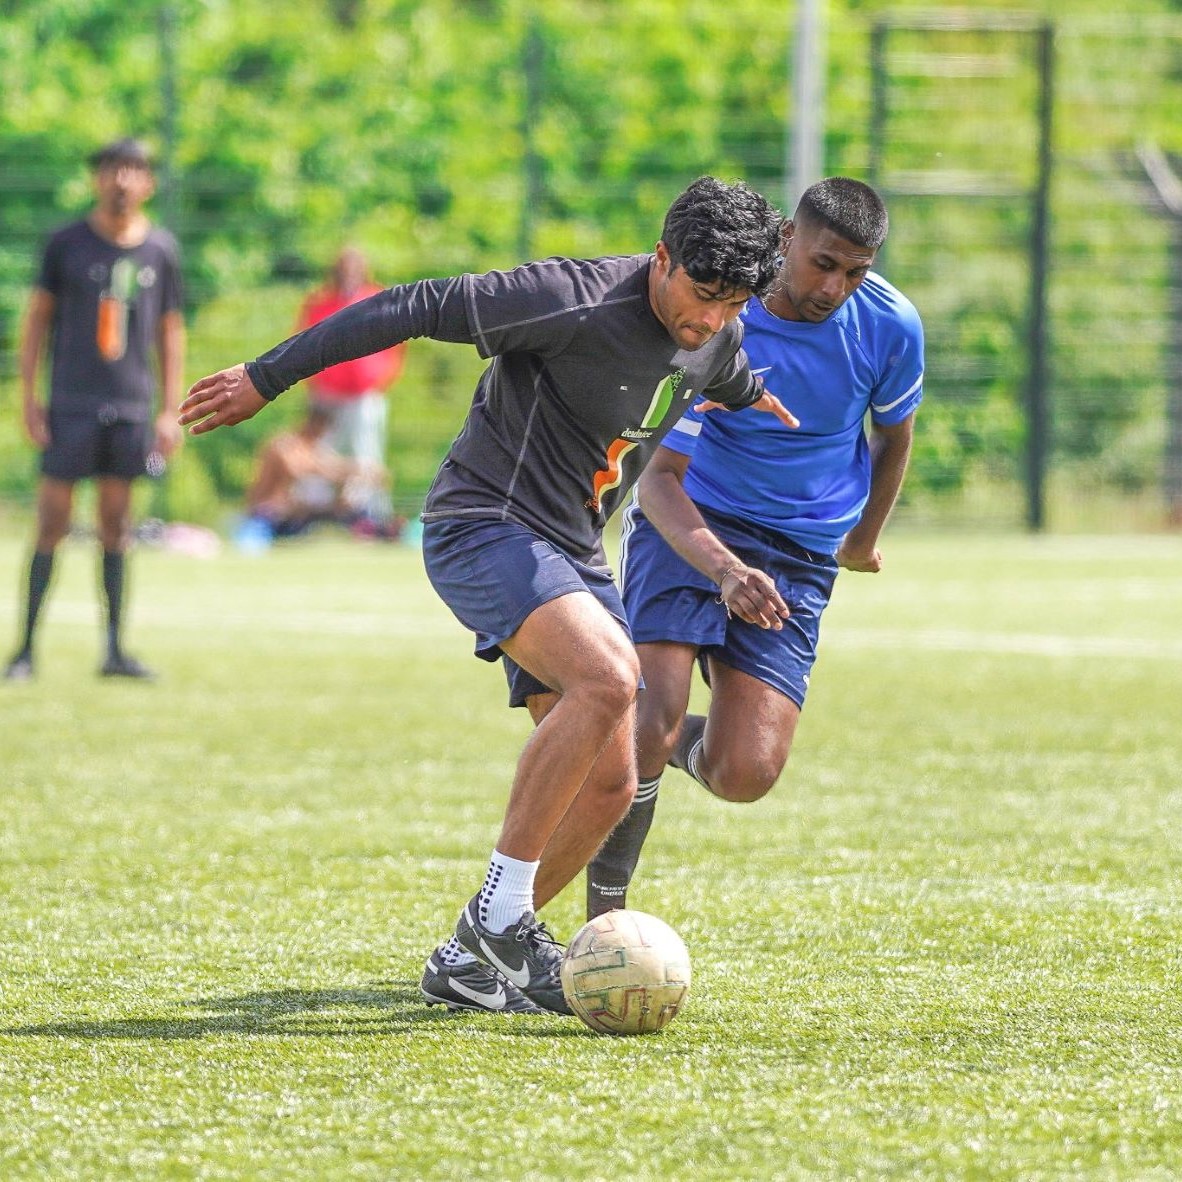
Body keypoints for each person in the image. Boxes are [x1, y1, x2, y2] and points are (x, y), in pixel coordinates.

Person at [177, 176, 798, 1015]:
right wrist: (266, 375)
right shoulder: (570, 299)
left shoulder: (717, 338)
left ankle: (473, 960)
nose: (711, 317)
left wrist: (755, 393)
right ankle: (502, 920)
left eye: (733, 304)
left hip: (571, 550)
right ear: (660, 258)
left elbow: (724, 370)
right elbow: (410, 305)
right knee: (611, 680)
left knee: (615, 784)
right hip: (483, 521)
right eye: (701, 294)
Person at [586, 176, 924, 919]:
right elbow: (660, 483)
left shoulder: (892, 326)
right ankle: (602, 930)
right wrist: (727, 568)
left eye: (856, 271)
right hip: (694, 519)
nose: (835, 287)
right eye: (823, 263)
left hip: (799, 551)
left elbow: (894, 435)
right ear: (785, 240)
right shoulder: (721, 316)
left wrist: (862, 540)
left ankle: (655, 745)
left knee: (744, 772)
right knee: (654, 713)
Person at [5, 137, 185, 682]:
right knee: (52, 521)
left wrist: (169, 409)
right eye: (112, 169)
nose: (122, 181)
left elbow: (169, 330)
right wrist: (29, 396)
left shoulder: (161, 250)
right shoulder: (66, 244)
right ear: (97, 179)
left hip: (131, 406)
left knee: (116, 523)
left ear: (148, 182)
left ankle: (113, 650)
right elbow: (37, 320)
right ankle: (25, 650)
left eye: (134, 170)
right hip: (72, 404)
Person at [297, 246, 406, 523]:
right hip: (327, 395)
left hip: (363, 395)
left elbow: (396, 346)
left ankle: (372, 516)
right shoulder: (320, 302)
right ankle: (316, 514)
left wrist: (378, 377)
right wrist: (317, 381)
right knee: (319, 455)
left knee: (366, 452)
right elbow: (302, 343)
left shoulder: (376, 298)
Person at [240, 403, 391, 542]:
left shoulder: (314, 449)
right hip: (269, 514)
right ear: (312, 423)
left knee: (349, 510)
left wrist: (364, 470)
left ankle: (377, 532)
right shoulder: (284, 445)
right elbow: (299, 469)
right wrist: (344, 472)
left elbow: (335, 465)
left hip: (298, 513)